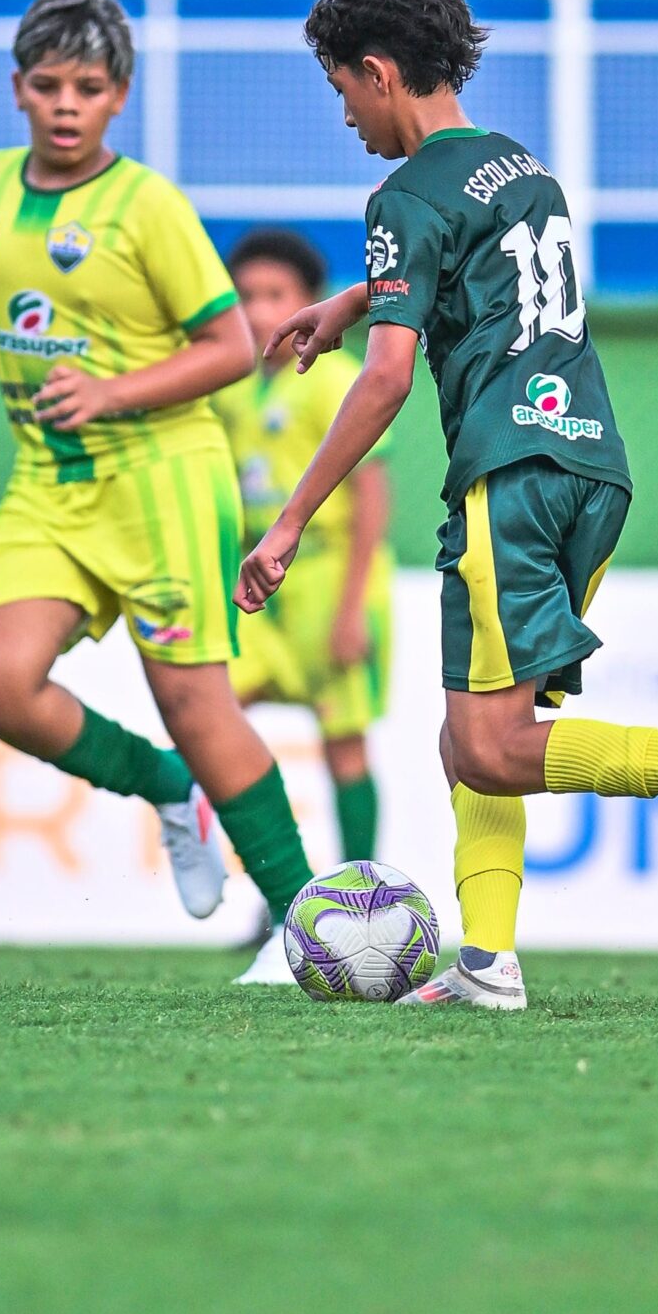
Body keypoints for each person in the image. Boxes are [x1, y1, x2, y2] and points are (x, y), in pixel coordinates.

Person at [234, 0, 658, 1013]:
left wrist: (287, 522)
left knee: (489, 742)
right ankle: (487, 965)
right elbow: (464, 281)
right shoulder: (518, 166)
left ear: (376, 70)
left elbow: (384, 380)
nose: (345, 119)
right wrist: (341, 308)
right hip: (588, 468)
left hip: (506, 471)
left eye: (340, 92)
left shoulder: (399, 193)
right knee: (469, 736)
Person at [0, 0, 315, 978]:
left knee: (199, 706)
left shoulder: (147, 206)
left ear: (118, 96)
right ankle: (165, 786)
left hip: (162, 477)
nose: (66, 103)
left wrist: (115, 392)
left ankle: (307, 927)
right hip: (49, 483)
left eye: (88, 86)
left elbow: (231, 346)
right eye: (47, 84)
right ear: (16, 89)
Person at [216, 227, 396, 887]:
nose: (259, 309)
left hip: (329, 572)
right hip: (257, 583)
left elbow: (372, 496)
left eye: (275, 294)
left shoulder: (336, 380)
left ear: (309, 302)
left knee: (342, 742)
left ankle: (358, 894)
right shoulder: (232, 388)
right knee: (212, 714)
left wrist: (352, 610)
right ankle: (277, 890)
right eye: (245, 295)